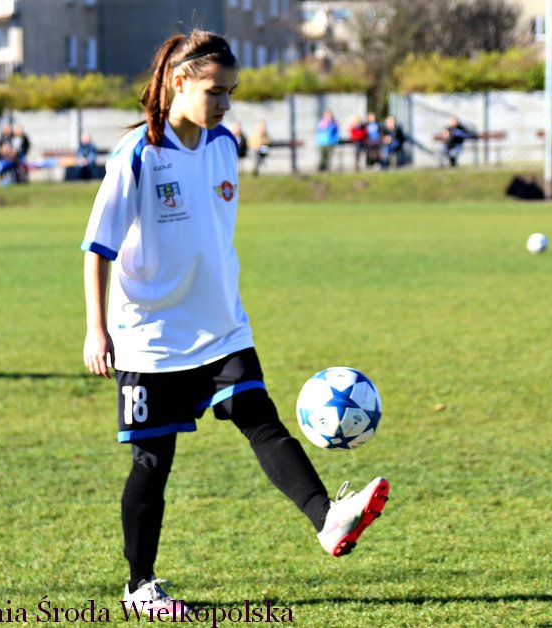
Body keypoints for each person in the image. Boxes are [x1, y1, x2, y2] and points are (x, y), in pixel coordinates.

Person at [81, 29, 389, 617]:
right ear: (180, 82)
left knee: (260, 420)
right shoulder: (138, 154)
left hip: (221, 325)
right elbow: (98, 248)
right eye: (215, 91)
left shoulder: (224, 145)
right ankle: (139, 587)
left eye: (232, 92)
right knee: (152, 462)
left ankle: (327, 518)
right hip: (152, 338)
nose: (225, 103)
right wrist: (98, 330)